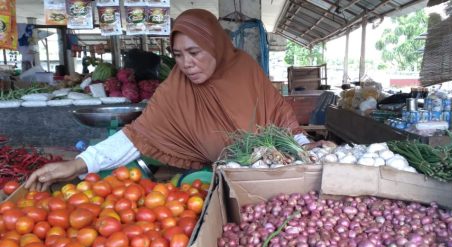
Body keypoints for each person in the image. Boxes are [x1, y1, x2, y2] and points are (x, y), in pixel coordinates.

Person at [25, 9, 313, 192]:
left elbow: (280, 115)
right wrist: (79, 164)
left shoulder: (245, 69)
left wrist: (308, 148)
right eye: (178, 54)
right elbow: (138, 136)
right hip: (223, 184)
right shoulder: (177, 86)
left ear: (216, 46)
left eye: (195, 52)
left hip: (274, 179)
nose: (186, 63)